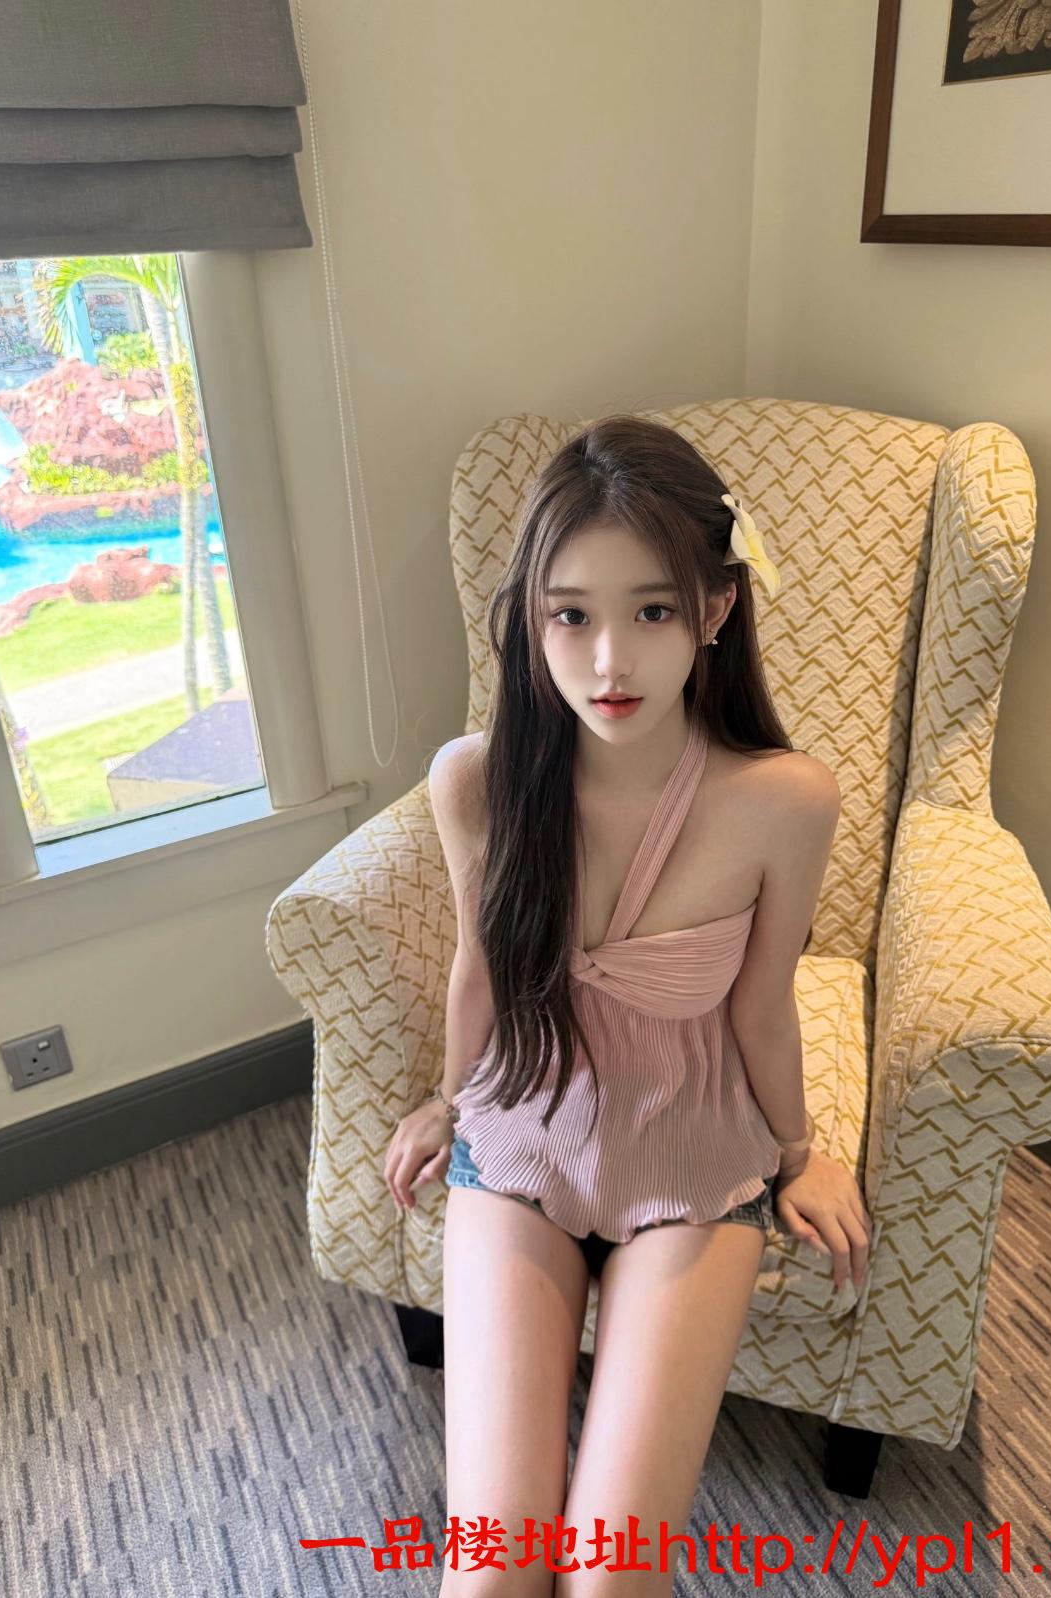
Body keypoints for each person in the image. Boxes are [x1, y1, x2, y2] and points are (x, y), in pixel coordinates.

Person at [384, 414, 872, 1596]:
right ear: (530, 619)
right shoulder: (475, 780)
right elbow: (480, 967)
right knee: (492, 1572)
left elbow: (763, 1003)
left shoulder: (786, 800)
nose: (610, 661)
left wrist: (801, 1151)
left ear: (715, 607)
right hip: (522, 1135)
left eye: (652, 610)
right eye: (571, 615)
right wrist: (446, 1100)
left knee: (611, 1576)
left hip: (694, 1152)